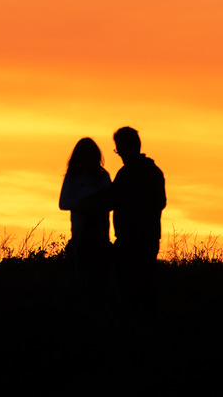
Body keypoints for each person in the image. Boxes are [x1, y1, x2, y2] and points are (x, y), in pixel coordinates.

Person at [110, 126, 165, 300]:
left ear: (125, 149)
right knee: (147, 287)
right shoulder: (155, 172)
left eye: (118, 149)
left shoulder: (126, 173)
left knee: (128, 290)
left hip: (129, 241)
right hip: (150, 239)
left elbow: (111, 200)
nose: (119, 154)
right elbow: (161, 203)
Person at [58, 137, 112, 294]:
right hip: (80, 236)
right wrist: (82, 205)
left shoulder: (103, 176)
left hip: (100, 236)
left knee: (100, 281)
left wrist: (96, 204)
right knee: (82, 281)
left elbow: (110, 202)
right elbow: (63, 203)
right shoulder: (72, 177)